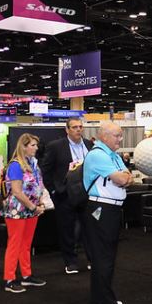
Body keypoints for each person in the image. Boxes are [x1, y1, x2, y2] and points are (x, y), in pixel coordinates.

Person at [82, 122, 133, 304]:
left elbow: (128, 177)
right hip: (101, 209)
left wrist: (124, 177)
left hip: (110, 208)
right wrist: (123, 177)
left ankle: (99, 299)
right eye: (117, 135)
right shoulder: (98, 155)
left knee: (105, 256)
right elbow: (122, 179)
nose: (120, 139)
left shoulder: (113, 155)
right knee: (103, 256)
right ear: (104, 136)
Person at [41, 117, 94, 275]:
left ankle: (92, 259)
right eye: (74, 127)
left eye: (80, 127)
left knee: (90, 229)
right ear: (67, 130)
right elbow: (46, 171)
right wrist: (53, 191)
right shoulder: (56, 146)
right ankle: (70, 262)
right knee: (67, 230)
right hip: (65, 195)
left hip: (87, 194)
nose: (78, 129)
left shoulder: (90, 145)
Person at [2, 133, 47, 293]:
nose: (36, 148)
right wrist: (33, 207)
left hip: (31, 209)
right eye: (33, 145)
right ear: (23, 146)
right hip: (17, 210)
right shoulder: (16, 165)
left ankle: (26, 276)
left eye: (36, 145)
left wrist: (39, 202)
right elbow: (17, 192)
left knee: (26, 244)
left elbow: (38, 186)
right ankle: (9, 279)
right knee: (15, 244)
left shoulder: (33, 164)